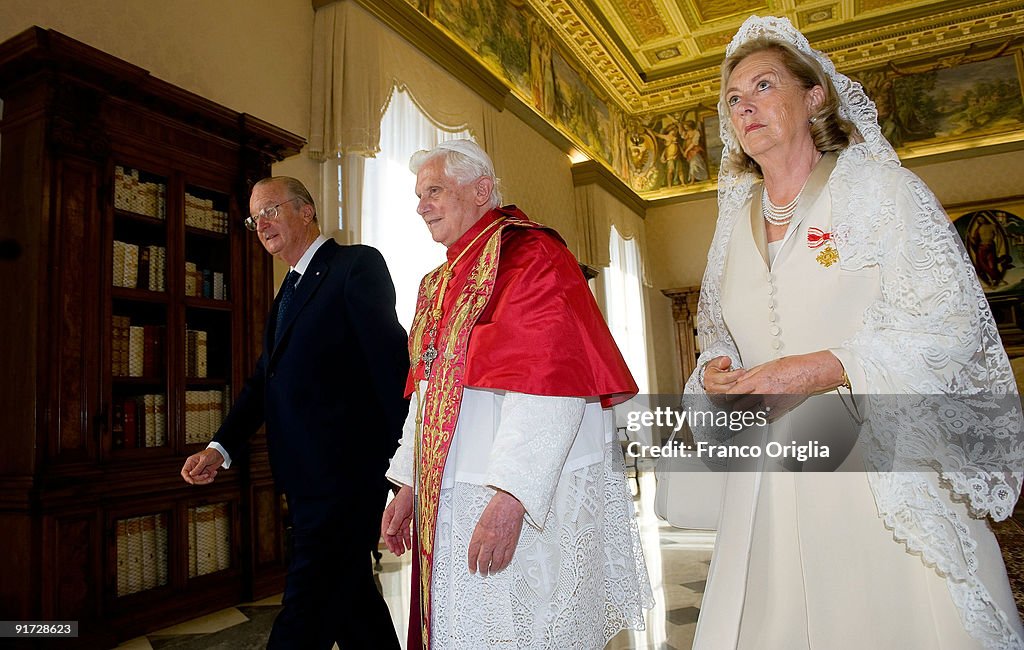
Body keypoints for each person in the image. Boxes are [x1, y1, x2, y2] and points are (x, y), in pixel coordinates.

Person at [681, 15, 1024, 649]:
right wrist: (716, 371)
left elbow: (948, 324)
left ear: (813, 96)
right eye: (732, 99)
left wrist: (826, 366)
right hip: (770, 478)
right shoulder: (732, 221)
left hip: (874, 464)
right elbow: (717, 333)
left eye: (762, 86)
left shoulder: (882, 191)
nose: (744, 107)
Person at [380, 139, 652, 649]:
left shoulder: (531, 256)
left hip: (517, 492)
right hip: (452, 491)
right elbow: (426, 392)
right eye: (419, 195)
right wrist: (409, 482)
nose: (422, 206)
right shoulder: (436, 282)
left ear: (481, 189)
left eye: (434, 190)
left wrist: (512, 498)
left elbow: (550, 387)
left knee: (527, 627)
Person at [180, 176, 410, 649]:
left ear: (306, 211)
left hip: (346, 479)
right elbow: (264, 384)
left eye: (270, 211)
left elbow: (393, 370)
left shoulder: (354, 266)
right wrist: (220, 446)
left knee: (305, 605)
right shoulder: (288, 290)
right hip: (305, 480)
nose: (261, 224)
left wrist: (403, 470)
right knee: (351, 601)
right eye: (254, 218)